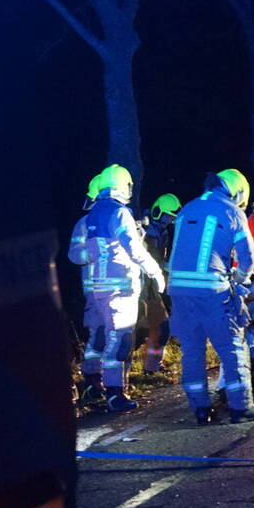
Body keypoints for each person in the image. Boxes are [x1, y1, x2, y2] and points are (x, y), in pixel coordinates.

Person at [168, 168, 254, 425]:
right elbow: (249, 258)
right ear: (237, 191)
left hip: (178, 291)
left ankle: (200, 410)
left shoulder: (187, 208)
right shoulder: (232, 211)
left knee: (191, 351)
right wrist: (240, 279)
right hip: (212, 292)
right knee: (232, 346)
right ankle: (241, 407)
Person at [83, 164, 166, 412]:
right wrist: (154, 271)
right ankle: (115, 394)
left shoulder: (95, 212)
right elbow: (133, 248)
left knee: (110, 338)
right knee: (118, 341)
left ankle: (105, 388)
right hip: (120, 287)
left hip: (101, 286)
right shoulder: (119, 212)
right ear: (122, 185)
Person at [68, 172, 106, 403]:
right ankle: (92, 381)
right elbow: (74, 255)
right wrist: (95, 253)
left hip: (120, 291)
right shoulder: (83, 224)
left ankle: (115, 385)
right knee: (99, 336)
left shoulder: (119, 218)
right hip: (95, 291)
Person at [139, 193, 181, 372]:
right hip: (140, 288)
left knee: (162, 327)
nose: (169, 221)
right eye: (168, 216)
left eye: (172, 218)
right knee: (133, 333)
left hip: (153, 287)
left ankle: (152, 367)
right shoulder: (145, 228)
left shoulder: (161, 230)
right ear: (158, 212)